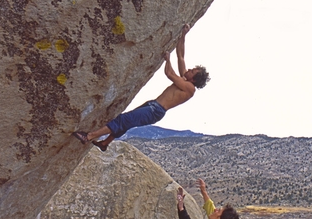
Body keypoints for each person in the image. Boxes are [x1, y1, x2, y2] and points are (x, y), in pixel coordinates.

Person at [73, 24, 210, 151]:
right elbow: (181, 56)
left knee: (123, 120)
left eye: (193, 71)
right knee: (126, 122)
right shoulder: (186, 80)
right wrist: (183, 35)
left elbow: (169, 73)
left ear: (194, 79)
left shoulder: (189, 89)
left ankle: (89, 136)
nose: (190, 69)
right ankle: (105, 143)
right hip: (153, 106)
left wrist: (167, 59)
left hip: (155, 110)